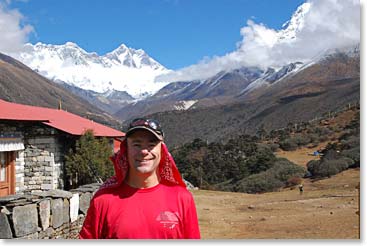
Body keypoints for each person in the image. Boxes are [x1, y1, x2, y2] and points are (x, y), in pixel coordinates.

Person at [79, 118, 201, 239]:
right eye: (137, 144)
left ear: (162, 150)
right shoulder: (103, 201)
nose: (144, 151)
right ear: (126, 150)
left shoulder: (182, 199)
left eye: (151, 145)